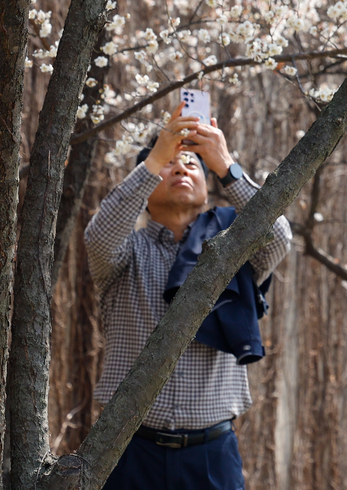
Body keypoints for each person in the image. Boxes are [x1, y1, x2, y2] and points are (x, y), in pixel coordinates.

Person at [86, 104, 292, 490]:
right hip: (127, 453)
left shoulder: (233, 248)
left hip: (212, 454)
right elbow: (99, 235)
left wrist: (225, 165)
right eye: (170, 164)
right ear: (145, 191)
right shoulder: (124, 254)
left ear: (206, 187)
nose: (180, 168)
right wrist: (154, 157)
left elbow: (279, 237)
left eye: (192, 165)